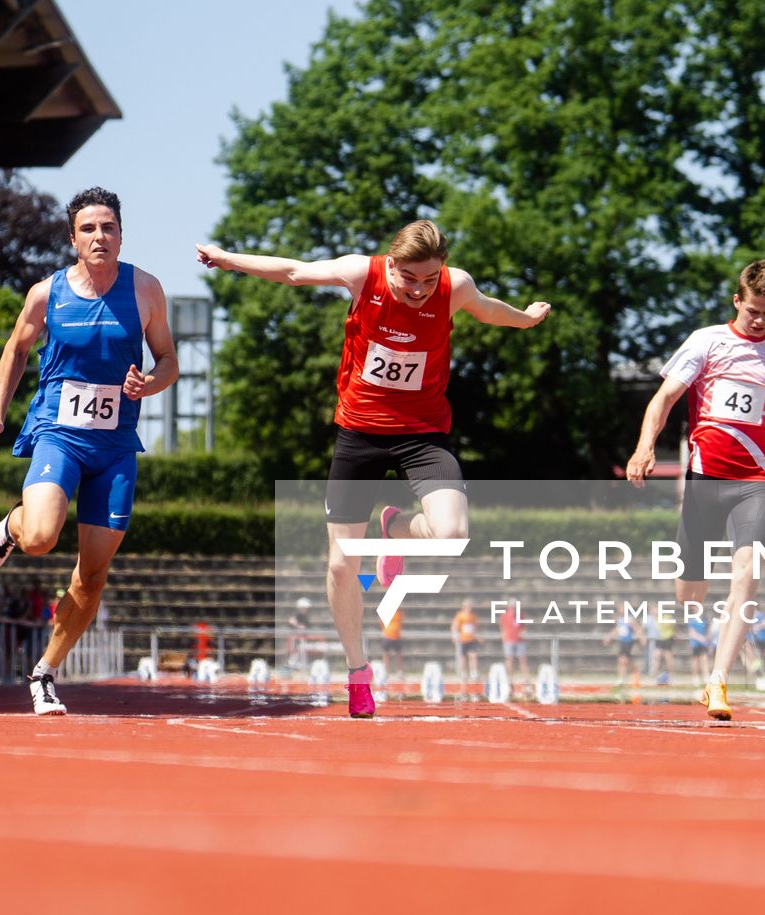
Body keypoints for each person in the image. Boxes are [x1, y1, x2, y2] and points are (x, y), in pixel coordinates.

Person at [197, 220, 551, 718]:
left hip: (422, 433)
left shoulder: (455, 287)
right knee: (343, 565)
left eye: (429, 280)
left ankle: (393, 530)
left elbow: (491, 310)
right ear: (392, 265)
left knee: (452, 532)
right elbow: (296, 271)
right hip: (360, 434)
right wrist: (228, 259)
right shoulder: (363, 275)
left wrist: (527, 318)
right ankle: (358, 671)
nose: (419, 289)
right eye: (410, 278)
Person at [0, 188, 178, 716]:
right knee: (41, 537)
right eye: (88, 229)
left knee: (91, 577)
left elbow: (168, 361)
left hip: (114, 445)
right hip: (58, 433)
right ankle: (11, 526)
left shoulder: (146, 290)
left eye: (108, 227)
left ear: (120, 235)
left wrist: (149, 386)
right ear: (73, 239)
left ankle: (44, 673)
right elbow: (16, 348)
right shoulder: (47, 294)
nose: (99, 237)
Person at [626, 259, 765, 721]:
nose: (760, 320)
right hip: (704, 481)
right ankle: (688, 619)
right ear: (737, 300)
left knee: (748, 577)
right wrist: (645, 447)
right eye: (753, 310)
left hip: (754, 483)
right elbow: (665, 397)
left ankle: (718, 681)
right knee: (691, 594)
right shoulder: (707, 341)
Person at [450, 599, 481, 700]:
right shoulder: (460, 615)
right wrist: (455, 636)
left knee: (473, 656)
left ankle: (474, 673)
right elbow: (455, 626)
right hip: (463, 640)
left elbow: (475, 628)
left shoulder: (473, 616)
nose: (469, 608)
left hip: (471, 640)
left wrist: (477, 636)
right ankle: (464, 677)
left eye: (470, 606)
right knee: (463, 659)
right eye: (467, 606)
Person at [498, 599, 529, 690]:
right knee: (509, 660)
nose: (514, 609)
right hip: (509, 640)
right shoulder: (505, 616)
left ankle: (526, 680)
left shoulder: (521, 615)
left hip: (519, 640)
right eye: (512, 607)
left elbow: (523, 627)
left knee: (522, 660)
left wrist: (523, 632)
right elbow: (502, 627)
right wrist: (504, 636)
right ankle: (509, 680)